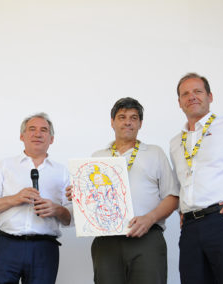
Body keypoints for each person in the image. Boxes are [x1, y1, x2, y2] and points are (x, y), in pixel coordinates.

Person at [67, 97, 178, 284]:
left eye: (134, 118)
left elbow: (173, 196)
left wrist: (149, 219)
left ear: (140, 124)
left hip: (147, 237)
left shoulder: (155, 153)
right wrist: (79, 194)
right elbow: (91, 200)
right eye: (122, 117)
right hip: (106, 241)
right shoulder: (97, 157)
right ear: (112, 122)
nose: (128, 122)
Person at [0, 112, 72, 284]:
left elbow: (70, 219)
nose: (37, 134)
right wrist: (14, 199)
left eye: (44, 130)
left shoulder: (63, 172)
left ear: (51, 139)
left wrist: (57, 209)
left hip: (45, 248)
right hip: (6, 245)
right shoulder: (5, 165)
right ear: (22, 136)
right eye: (32, 129)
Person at [170, 73, 223, 284]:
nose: (192, 97)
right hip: (189, 228)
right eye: (185, 94)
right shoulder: (175, 142)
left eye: (198, 91)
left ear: (210, 96)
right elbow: (183, 181)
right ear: (179, 102)